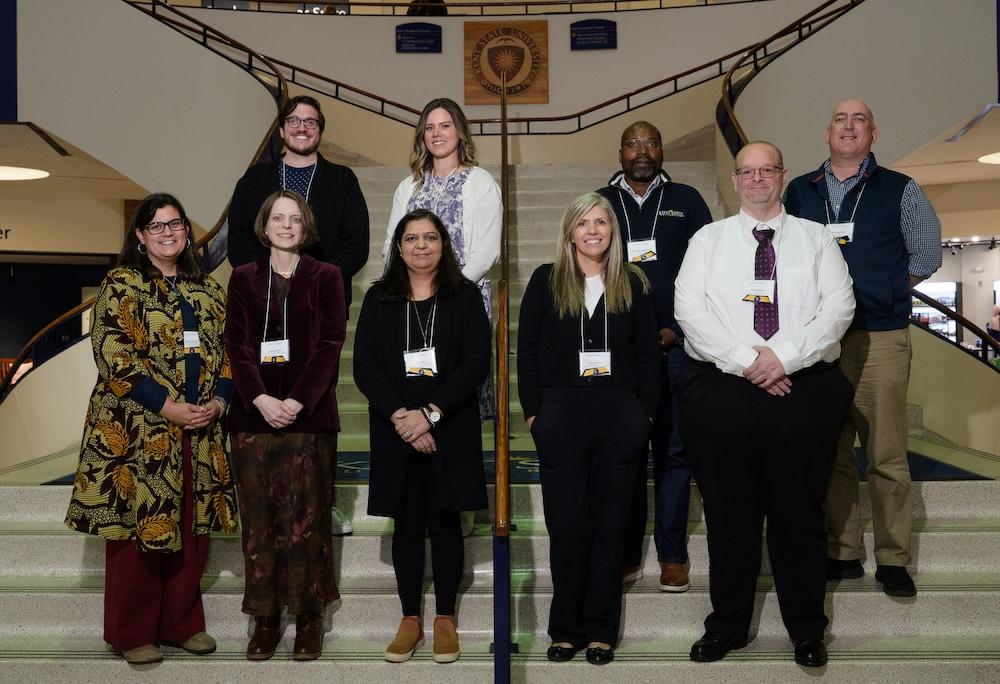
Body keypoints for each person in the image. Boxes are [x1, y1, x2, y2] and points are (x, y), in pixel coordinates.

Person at [675, 141, 855, 667]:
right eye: (747, 172)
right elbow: (690, 309)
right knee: (729, 517)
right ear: (735, 180)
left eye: (766, 170)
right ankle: (727, 625)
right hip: (722, 389)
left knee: (799, 517)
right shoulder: (708, 240)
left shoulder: (817, 240)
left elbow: (838, 310)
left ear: (783, 175)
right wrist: (746, 361)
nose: (757, 179)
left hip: (801, 390)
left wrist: (784, 358)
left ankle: (806, 627)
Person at [65, 193, 238, 665]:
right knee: (135, 532)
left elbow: (227, 354)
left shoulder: (207, 291)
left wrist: (219, 402)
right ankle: (132, 631)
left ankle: (181, 625)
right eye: (157, 226)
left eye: (176, 224)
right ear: (140, 236)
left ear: (186, 232)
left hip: (199, 429)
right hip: (138, 431)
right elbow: (113, 354)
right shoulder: (121, 284)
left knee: (190, 529)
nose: (168, 233)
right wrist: (167, 406)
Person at [784, 99, 942, 598]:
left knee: (887, 455)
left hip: (879, 337)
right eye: (839, 119)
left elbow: (927, 253)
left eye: (859, 120)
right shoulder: (799, 192)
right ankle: (842, 550)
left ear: (873, 133)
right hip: (817, 342)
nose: (848, 127)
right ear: (826, 132)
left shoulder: (900, 189)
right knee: (831, 452)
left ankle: (894, 559)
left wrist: (886, 289)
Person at [517, 192, 659, 665]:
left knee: (610, 527)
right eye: (583, 223)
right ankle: (565, 629)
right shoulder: (545, 280)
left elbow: (647, 356)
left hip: (621, 415)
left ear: (612, 231)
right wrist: (535, 413)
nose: (593, 230)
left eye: (601, 222)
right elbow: (528, 352)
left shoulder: (633, 282)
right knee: (568, 527)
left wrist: (645, 416)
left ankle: (601, 629)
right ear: (570, 232)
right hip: (561, 416)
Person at [228, 94, 368, 536]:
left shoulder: (341, 179)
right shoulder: (255, 180)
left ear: (320, 130)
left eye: (311, 121)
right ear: (281, 129)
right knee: (265, 399)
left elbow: (356, 246)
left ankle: (320, 503)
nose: (302, 127)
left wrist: (314, 279)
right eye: (294, 120)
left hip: (318, 305)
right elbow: (238, 244)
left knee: (317, 400)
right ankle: (265, 503)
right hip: (262, 301)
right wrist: (272, 278)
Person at [355, 209, 490, 665]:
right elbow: (365, 367)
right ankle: (410, 617)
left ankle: (445, 619)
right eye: (411, 238)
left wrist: (429, 416)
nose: (421, 246)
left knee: (447, 523)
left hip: (450, 426)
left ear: (444, 245)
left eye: (430, 238)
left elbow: (476, 363)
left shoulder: (465, 297)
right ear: (398, 248)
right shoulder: (379, 298)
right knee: (408, 525)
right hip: (396, 430)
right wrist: (402, 418)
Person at [223, 190, 346, 661]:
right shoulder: (242, 278)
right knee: (259, 522)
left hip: (308, 417)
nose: (287, 225)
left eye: (295, 219)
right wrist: (259, 398)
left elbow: (330, 343)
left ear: (306, 225)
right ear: (265, 224)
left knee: (307, 519)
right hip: (252, 418)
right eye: (279, 217)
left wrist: (294, 401)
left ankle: (309, 616)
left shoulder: (327, 276)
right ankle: (267, 616)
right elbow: (235, 344)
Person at [597, 120, 713, 591]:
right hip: (618, 354)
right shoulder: (600, 204)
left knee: (673, 452)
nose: (642, 150)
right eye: (632, 143)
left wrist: (679, 329)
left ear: (662, 150)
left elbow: (710, 273)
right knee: (623, 453)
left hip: (677, 348)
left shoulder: (687, 201)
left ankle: (672, 554)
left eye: (651, 142)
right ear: (620, 151)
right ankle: (625, 552)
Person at [381, 97, 501, 420]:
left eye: (445, 125)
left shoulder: (481, 183)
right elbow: (390, 246)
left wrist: (451, 291)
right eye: (429, 127)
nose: (437, 133)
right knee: (413, 388)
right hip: (412, 303)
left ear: (460, 132)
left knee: (457, 399)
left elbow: (487, 250)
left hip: (462, 300)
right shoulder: (408, 187)